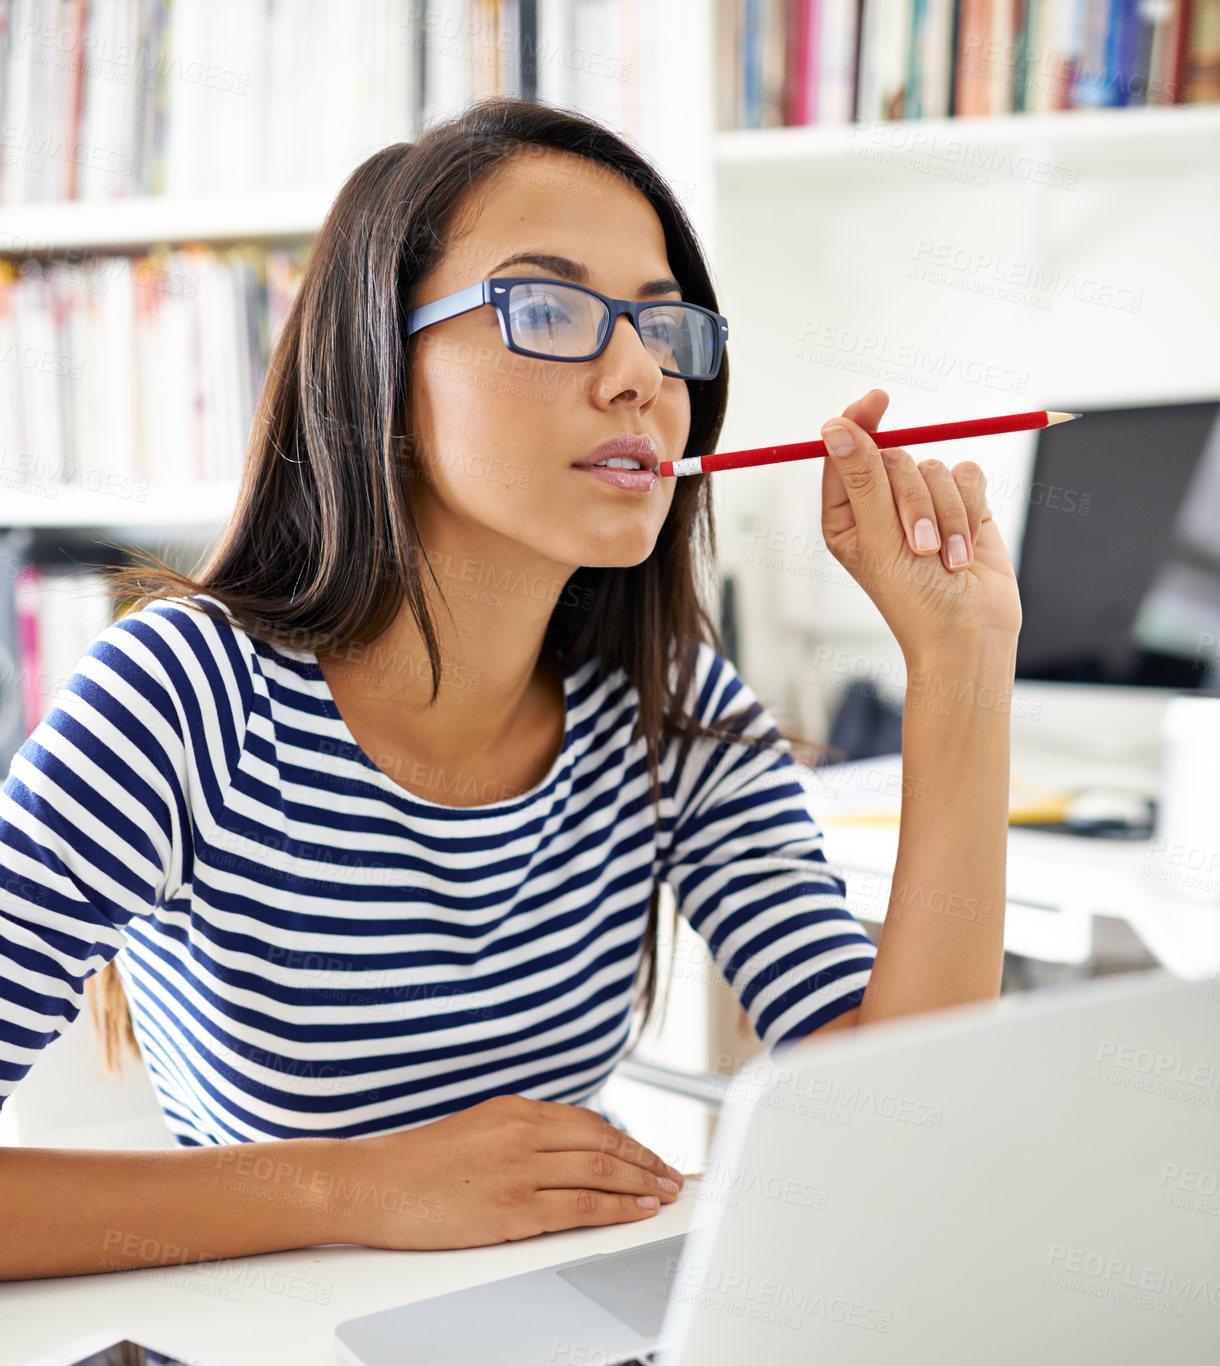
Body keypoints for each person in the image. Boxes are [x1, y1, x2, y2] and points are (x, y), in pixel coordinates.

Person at [0, 98, 1019, 1281]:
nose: (640, 372)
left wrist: (959, 668)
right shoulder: (185, 697)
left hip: (551, 1340)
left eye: (663, 327)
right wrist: (355, 1184)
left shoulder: (674, 713)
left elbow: (895, 1131)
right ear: (380, 360)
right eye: (547, 309)